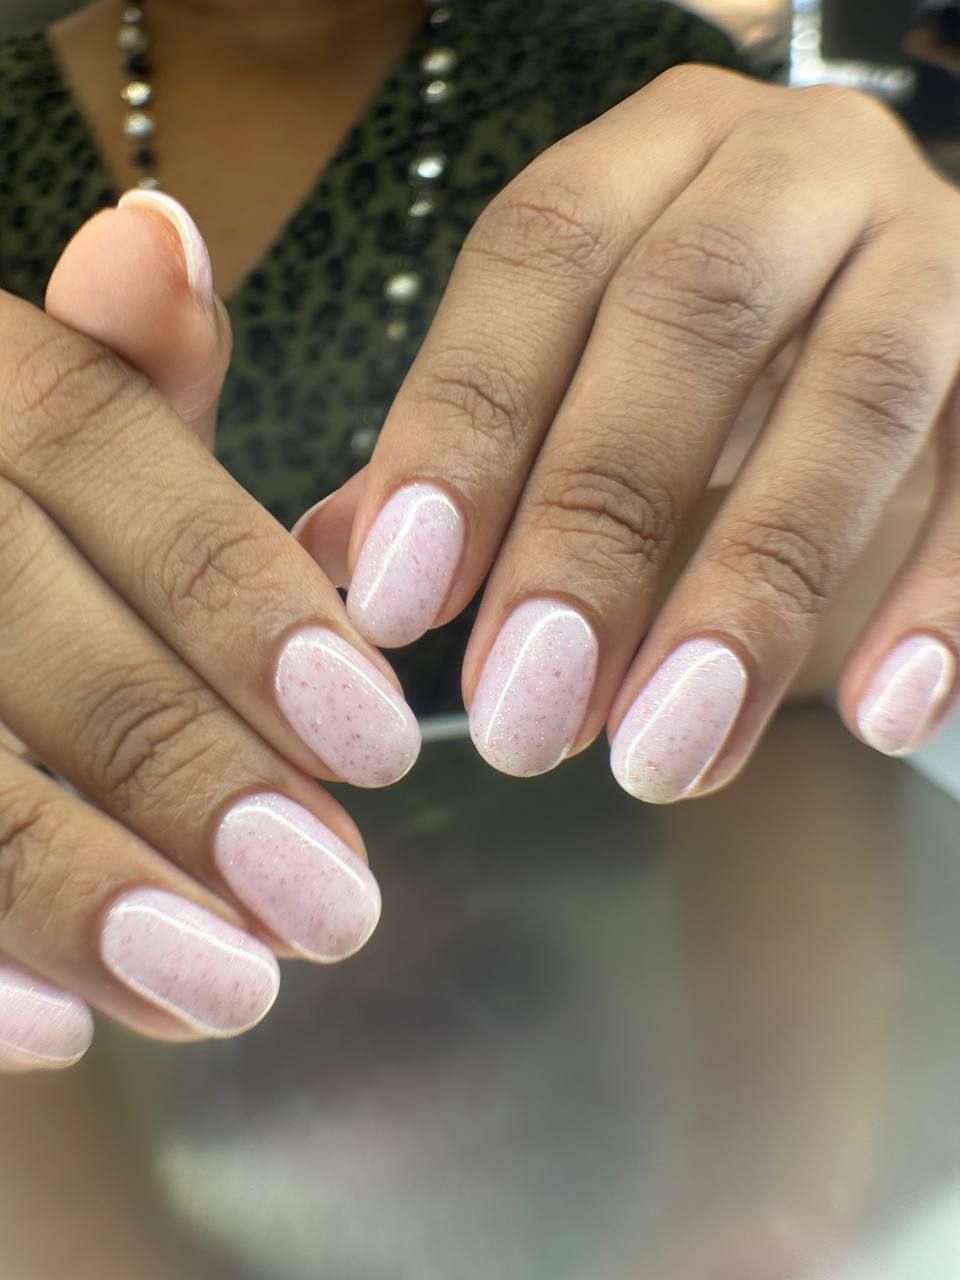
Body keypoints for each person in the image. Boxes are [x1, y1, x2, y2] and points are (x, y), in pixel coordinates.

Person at [0, 0, 956, 1072]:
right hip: (81, 1081)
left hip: (620, 982)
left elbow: (789, 683)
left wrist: (883, 405)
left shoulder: (629, 72)